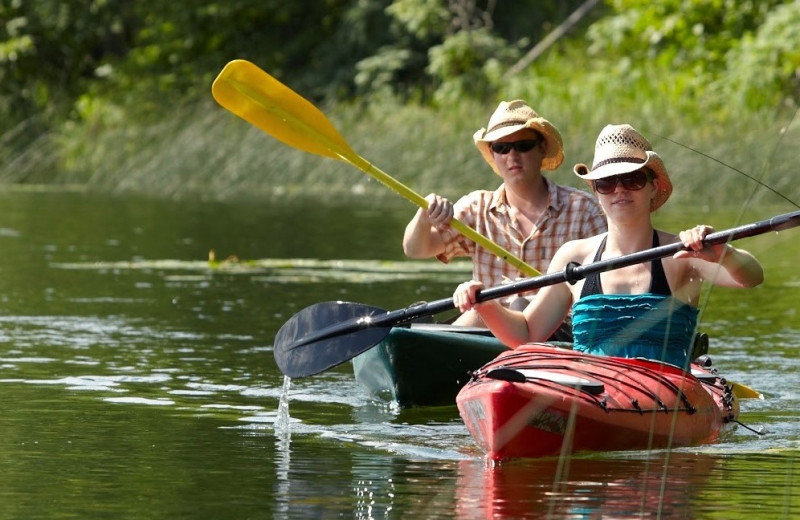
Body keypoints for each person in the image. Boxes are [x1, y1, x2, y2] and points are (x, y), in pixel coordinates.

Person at [451, 123, 764, 369]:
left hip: (664, 393)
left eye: (632, 180)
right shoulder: (574, 257)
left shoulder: (683, 254)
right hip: (592, 391)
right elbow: (527, 334)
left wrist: (723, 252)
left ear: (653, 187)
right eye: (606, 183)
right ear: (596, 192)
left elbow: (751, 277)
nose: (619, 191)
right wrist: (485, 305)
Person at [403, 100, 607, 328]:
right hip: (488, 330)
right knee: (482, 312)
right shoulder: (476, 207)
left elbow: (606, 284)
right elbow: (415, 249)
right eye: (502, 148)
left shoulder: (584, 209)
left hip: (558, 331)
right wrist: (424, 214)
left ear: (541, 148)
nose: (512, 155)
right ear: (493, 153)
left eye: (523, 145)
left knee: (516, 307)